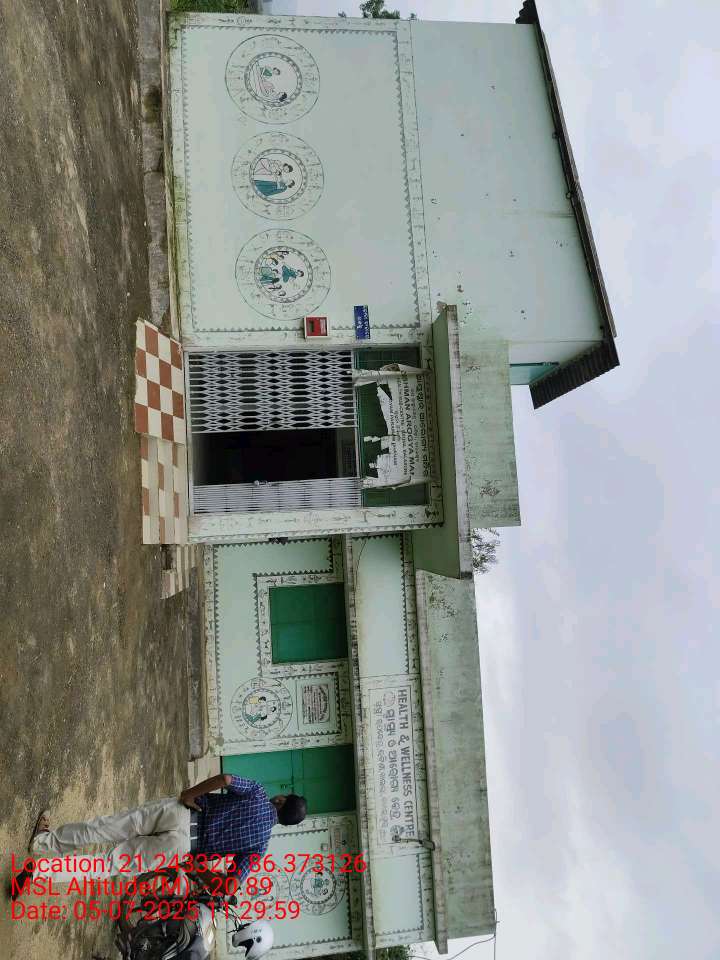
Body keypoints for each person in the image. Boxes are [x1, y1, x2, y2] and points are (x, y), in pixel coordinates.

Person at [10, 775, 306, 899]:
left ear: (281, 801)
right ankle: (39, 871)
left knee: (106, 827)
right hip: (181, 848)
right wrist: (197, 868)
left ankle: (42, 843)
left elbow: (227, 779)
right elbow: (229, 887)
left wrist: (189, 794)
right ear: (284, 823)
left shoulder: (258, 793)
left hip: (180, 813)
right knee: (108, 865)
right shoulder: (259, 846)